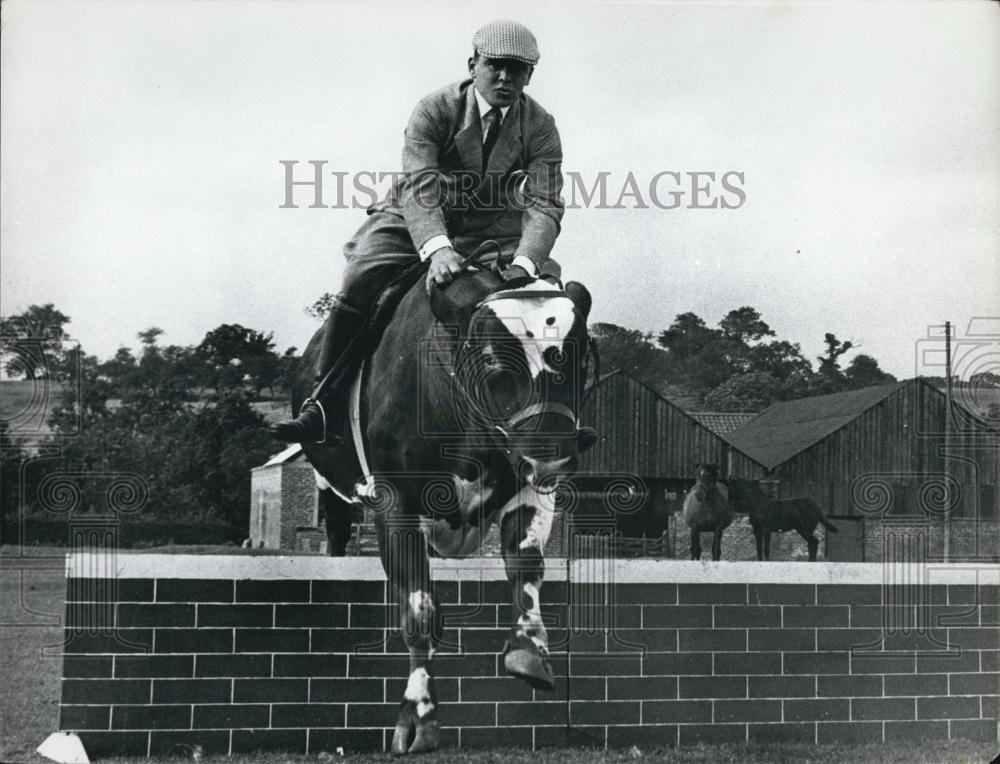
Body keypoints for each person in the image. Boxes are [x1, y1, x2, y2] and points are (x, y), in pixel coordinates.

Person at [272, 19, 565, 444]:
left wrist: (523, 264)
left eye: (517, 70)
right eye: (495, 65)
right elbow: (421, 184)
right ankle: (322, 402)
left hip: (493, 227)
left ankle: (549, 416)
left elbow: (545, 201)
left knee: (548, 294)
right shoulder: (434, 108)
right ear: (473, 64)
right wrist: (438, 250)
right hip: (416, 216)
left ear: (530, 76)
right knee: (360, 272)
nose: (505, 78)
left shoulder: (540, 124)